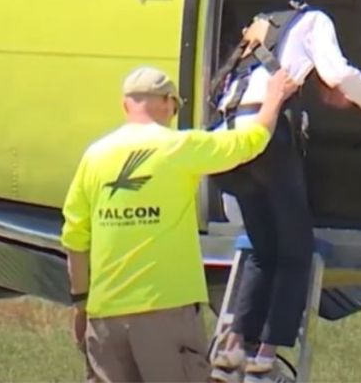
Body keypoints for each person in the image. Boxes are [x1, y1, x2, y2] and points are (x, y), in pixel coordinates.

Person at [61, 65, 299, 383]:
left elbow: (75, 240)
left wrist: (81, 306)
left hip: (105, 319)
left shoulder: (95, 157)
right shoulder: (178, 147)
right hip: (166, 313)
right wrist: (273, 98)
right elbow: (249, 142)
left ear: (125, 106)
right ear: (168, 102)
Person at [207, 0, 361, 382]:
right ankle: (265, 355)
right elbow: (337, 74)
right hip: (268, 133)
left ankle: (234, 346)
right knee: (294, 251)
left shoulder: (260, 30)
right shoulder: (315, 20)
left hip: (228, 136)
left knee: (260, 247)